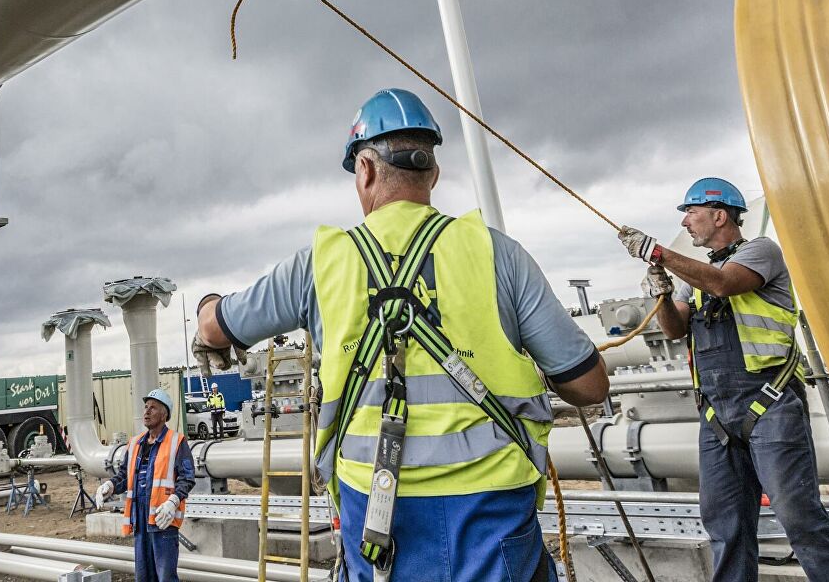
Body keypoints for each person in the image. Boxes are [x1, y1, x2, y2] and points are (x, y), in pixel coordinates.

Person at [194, 88, 609, 582]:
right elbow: (588, 387)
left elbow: (215, 328)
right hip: (490, 513)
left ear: (365, 171)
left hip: (374, 517)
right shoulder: (498, 254)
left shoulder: (320, 266)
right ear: (432, 172)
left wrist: (207, 307)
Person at [617, 178, 829, 582]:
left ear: (720, 215)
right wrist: (660, 294)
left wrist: (659, 252)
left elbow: (725, 284)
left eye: (692, 212)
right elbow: (675, 329)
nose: (688, 222)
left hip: (769, 402)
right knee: (725, 525)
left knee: (799, 519)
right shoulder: (695, 276)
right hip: (716, 412)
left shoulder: (760, 253)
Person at [95, 388, 194, 582]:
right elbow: (125, 476)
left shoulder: (176, 441)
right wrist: (110, 485)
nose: (146, 412)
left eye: (153, 408)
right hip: (140, 519)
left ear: (165, 415)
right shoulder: (135, 443)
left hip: (163, 518)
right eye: (146, 407)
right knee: (143, 576)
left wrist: (173, 502)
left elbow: (187, 477)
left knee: (165, 576)